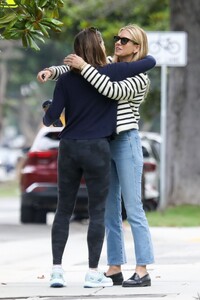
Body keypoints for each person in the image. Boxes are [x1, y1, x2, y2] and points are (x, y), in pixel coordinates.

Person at [37, 24, 156, 288]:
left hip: (126, 142)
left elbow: (110, 89)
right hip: (104, 143)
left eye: (124, 40)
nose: (118, 43)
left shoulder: (139, 78)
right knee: (110, 210)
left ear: (137, 46)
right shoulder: (109, 64)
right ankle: (114, 267)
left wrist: (83, 67)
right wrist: (52, 71)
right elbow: (76, 69)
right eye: (116, 38)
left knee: (134, 208)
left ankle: (143, 268)